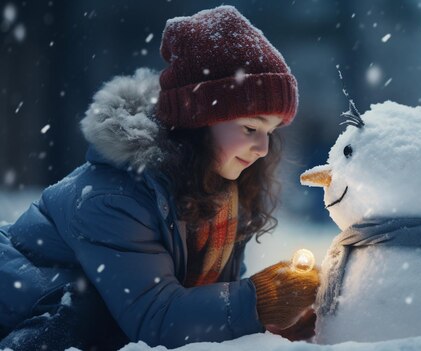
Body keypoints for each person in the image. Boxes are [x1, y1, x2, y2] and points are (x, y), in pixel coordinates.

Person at [0, 6, 319, 350]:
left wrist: (275, 323)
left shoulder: (217, 192)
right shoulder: (113, 197)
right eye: (250, 128)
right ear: (197, 124)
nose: (261, 147)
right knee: (84, 310)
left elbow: (202, 305)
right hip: (21, 319)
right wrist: (260, 300)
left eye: (270, 132)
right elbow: (155, 317)